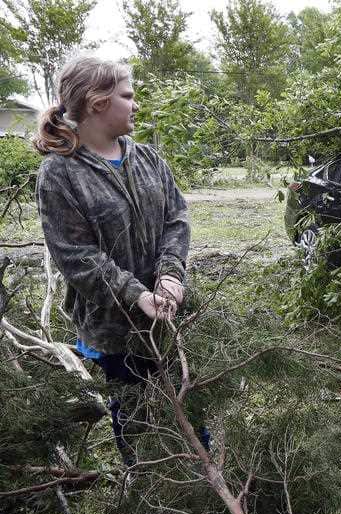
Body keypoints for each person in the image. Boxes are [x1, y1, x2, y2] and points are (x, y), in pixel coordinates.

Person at [33, 55, 204, 467]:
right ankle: (146, 494)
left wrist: (169, 277)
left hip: (171, 310)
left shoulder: (147, 159)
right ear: (97, 103)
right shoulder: (60, 174)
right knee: (137, 418)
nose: (136, 104)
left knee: (190, 411)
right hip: (116, 327)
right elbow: (76, 257)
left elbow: (175, 220)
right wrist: (135, 294)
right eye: (127, 96)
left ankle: (200, 484)